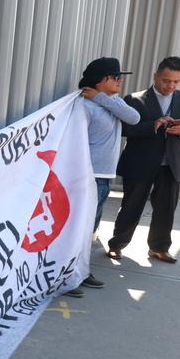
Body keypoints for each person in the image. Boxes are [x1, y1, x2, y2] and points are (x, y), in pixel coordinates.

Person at [106, 56, 180, 264]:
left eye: (177, 81)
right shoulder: (134, 99)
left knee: (166, 209)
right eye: (167, 80)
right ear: (156, 76)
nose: (171, 85)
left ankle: (159, 248)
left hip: (173, 164)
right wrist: (153, 124)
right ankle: (117, 244)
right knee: (131, 206)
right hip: (140, 162)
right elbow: (124, 129)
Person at [62, 57, 141, 298]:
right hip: (88, 177)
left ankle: (80, 272)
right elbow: (72, 142)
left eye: (120, 77)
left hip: (103, 177)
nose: (120, 81)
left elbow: (134, 118)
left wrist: (101, 98)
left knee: (90, 230)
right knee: (76, 230)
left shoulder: (108, 103)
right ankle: (64, 278)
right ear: (100, 80)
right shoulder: (83, 106)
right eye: (115, 77)